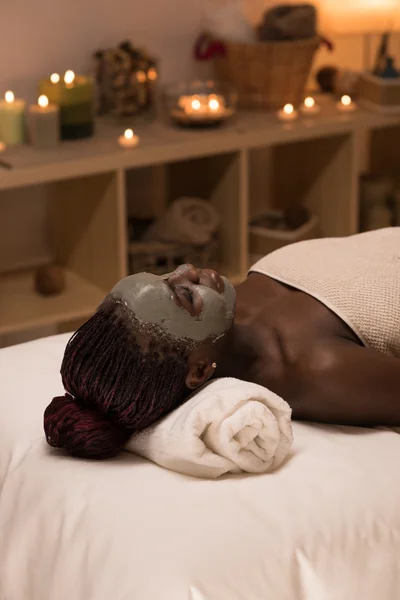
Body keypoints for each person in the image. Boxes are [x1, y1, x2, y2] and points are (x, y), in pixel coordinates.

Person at [44, 227, 400, 460]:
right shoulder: (318, 370)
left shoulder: (231, 304)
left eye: (162, 276)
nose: (186, 268)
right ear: (198, 370)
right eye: (185, 295)